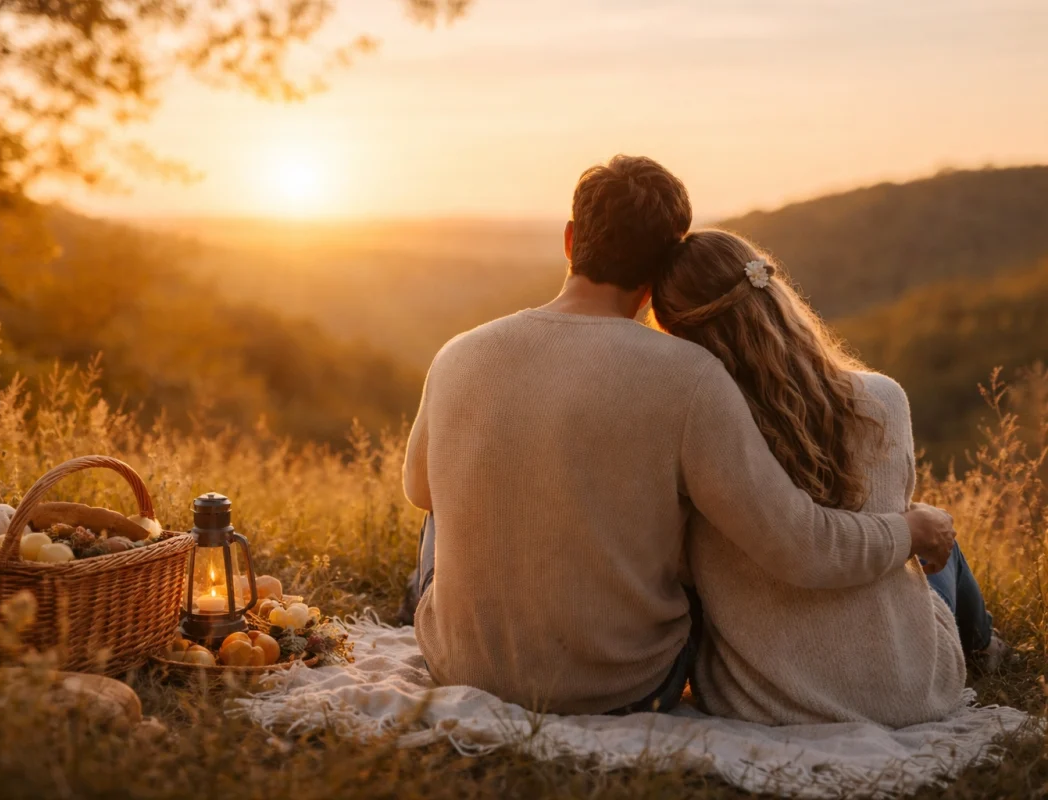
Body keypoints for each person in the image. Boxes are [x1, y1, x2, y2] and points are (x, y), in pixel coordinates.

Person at [402, 155, 958, 716]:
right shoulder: (690, 376)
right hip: (625, 685)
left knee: (439, 516)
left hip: (463, 670)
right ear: (667, 264)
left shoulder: (458, 353)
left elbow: (421, 492)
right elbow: (796, 543)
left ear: (571, 240)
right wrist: (907, 530)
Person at [650, 229, 1006, 726]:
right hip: (910, 688)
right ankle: (984, 644)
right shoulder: (883, 399)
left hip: (770, 699)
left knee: (914, 523)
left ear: (677, 332)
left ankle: (984, 639)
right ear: (770, 288)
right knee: (924, 522)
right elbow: (892, 525)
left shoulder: (702, 431)